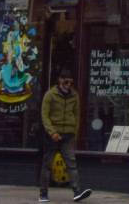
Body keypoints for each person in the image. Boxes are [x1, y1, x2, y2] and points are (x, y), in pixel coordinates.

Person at [37, 70, 93, 203]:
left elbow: (77, 115)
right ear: (59, 80)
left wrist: (75, 132)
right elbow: (44, 116)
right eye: (65, 82)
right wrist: (52, 132)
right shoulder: (50, 95)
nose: (68, 85)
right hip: (52, 135)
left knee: (71, 163)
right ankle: (43, 194)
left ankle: (77, 192)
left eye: (70, 82)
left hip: (68, 134)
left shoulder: (74, 95)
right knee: (47, 165)